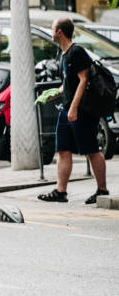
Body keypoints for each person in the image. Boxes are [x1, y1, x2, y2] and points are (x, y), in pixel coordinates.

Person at [37, 18, 109, 204]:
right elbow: (69, 84)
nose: (51, 32)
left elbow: (84, 80)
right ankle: (61, 192)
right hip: (67, 108)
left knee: (91, 149)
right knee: (63, 149)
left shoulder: (76, 52)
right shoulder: (63, 54)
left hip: (81, 110)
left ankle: (102, 189)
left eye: (52, 29)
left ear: (60, 32)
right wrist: (53, 94)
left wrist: (75, 108)